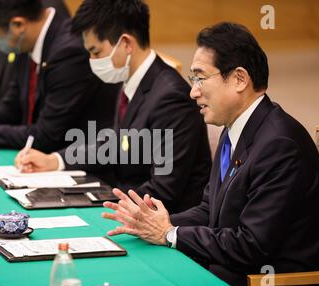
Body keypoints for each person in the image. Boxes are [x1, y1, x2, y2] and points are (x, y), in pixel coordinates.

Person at [101, 22, 319, 286]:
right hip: (234, 274)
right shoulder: (233, 128)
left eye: (200, 78)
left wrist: (170, 233)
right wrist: (155, 223)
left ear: (239, 79)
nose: (193, 92)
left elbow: (251, 245)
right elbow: (209, 211)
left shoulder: (279, 145)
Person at [14, 0, 212, 213]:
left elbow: (163, 190)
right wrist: (54, 160)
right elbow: (116, 144)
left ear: (126, 43)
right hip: (126, 202)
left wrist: (99, 203)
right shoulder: (130, 79)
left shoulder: (171, 98)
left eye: (96, 52)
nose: (92, 61)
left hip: (164, 221)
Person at [0, 0, 118, 152]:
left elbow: (46, 136)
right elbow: (12, 105)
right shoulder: (28, 40)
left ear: (18, 25)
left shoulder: (69, 52)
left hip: (79, 161)